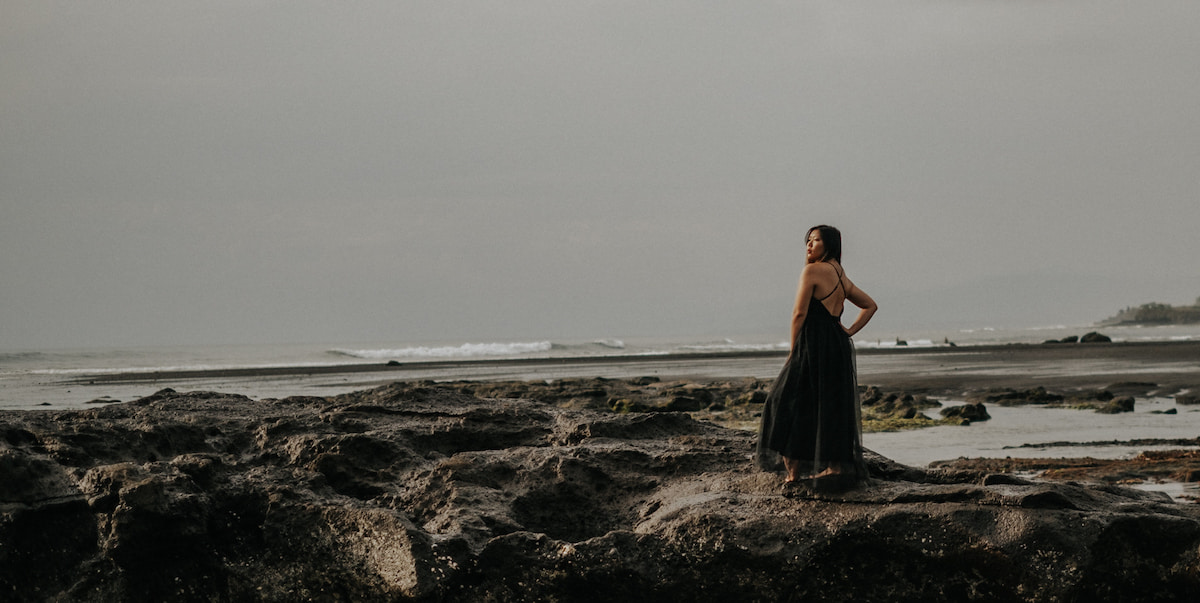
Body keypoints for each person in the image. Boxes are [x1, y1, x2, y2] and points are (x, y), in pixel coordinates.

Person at [756, 224, 877, 489]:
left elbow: (798, 313)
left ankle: (792, 474)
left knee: (785, 401)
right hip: (836, 345)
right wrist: (848, 330)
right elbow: (870, 305)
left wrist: (793, 350)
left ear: (829, 244)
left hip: (812, 344)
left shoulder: (811, 271)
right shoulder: (840, 275)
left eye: (815, 240)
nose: (809, 245)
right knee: (828, 406)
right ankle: (833, 467)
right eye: (807, 241)